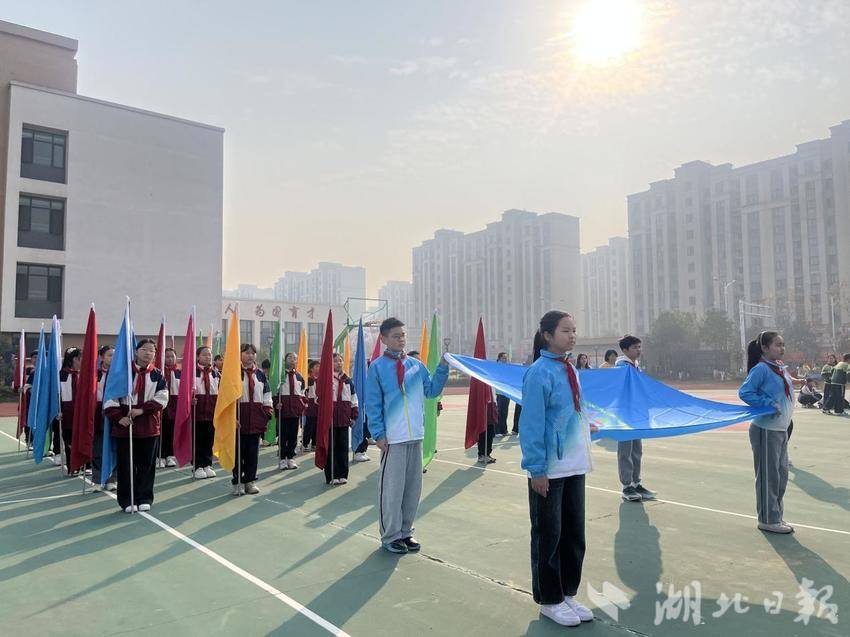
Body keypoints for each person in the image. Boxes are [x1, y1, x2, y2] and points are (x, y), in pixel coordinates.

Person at [520, 310, 595, 627]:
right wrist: (537, 468)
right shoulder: (539, 373)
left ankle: (567, 593)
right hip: (549, 468)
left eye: (575, 330)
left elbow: (574, 412)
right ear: (548, 335)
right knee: (548, 534)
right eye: (566, 330)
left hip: (575, 464)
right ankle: (549, 600)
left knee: (574, 534)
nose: (573, 336)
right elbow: (532, 424)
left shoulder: (570, 369)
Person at [366, 317, 449, 554]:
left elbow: (431, 391)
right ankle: (390, 536)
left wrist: (442, 367)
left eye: (403, 335)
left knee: (412, 489)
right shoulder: (377, 368)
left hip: (416, 436)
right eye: (395, 336)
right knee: (392, 490)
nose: (401, 339)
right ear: (383, 339)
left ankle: (405, 532)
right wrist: (378, 433)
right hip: (393, 438)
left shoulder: (416, 365)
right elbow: (372, 403)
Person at [739, 331, 802, 534]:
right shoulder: (761, 369)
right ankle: (767, 518)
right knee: (768, 477)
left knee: (781, 475)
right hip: (765, 430)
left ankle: (776, 515)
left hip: (781, 429)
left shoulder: (779, 367)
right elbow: (745, 392)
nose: (782, 348)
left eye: (783, 344)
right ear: (765, 348)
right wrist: (767, 403)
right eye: (777, 345)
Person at [104, 339, 168, 513]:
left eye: (152, 351)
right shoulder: (122, 373)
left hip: (148, 426)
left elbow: (162, 398)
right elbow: (110, 398)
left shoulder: (157, 375)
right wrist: (119, 417)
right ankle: (127, 499)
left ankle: (145, 497)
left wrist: (142, 410)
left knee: (147, 465)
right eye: (145, 350)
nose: (148, 353)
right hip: (126, 427)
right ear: (136, 351)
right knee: (126, 465)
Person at [615, 335, 655, 502]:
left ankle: (636, 482)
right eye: (635, 348)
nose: (638, 350)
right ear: (625, 350)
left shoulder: (635, 366)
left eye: (639, 347)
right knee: (625, 451)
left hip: (637, 415)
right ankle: (626, 486)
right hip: (625, 416)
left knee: (637, 449)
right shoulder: (621, 368)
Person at [233, 343, 272, 495]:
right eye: (246, 352)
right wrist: (232, 418)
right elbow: (227, 398)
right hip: (239, 420)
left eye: (252, 353)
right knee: (238, 452)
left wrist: (266, 415)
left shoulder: (261, 375)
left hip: (256, 419)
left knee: (252, 453)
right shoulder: (234, 373)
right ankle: (237, 482)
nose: (250, 356)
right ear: (240, 354)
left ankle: (250, 481)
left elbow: (267, 397)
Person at [325, 353, 359, 485]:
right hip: (331, 420)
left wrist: (353, 415)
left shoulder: (348, 381)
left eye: (340, 361)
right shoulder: (327, 380)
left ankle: (343, 474)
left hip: (344, 419)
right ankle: (332, 475)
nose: (338, 363)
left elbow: (353, 400)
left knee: (343, 448)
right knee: (331, 448)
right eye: (335, 361)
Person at [275, 352, 307, 470]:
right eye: (290, 358)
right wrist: (275, 404)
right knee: (283, 436)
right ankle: (282, 459)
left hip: (295, 412)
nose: (293, 360)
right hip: (283, 411)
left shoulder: (299, 377)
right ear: (285, 360)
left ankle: (291, 458)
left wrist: (302, 406)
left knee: (293, 436)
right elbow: (274, 392)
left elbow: (303, 394)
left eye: (295, 358)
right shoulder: (280, 376)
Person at [91, 345, 117, 491]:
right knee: (98, 448)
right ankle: (97, 479)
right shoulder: (94, 374)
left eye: (114, 355)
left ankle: (112, 478)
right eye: (109, 355)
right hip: (98, 413)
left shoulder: (121, 374)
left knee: (114, 447)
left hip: (115, 412)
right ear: (101, 357)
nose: (112, 358)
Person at [193, 346, 219, 479]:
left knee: (209, 440)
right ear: (198, 357)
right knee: (198, 440)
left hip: (211, 413)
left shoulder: (216, 373)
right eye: (204, 355)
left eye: (209, 354)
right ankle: (197, 466)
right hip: (196, 414)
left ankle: (207, 464)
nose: (207, 357)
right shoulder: (192, 373)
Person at [57, 347, 81, 472]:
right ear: (72, 360)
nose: (81, 361)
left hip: (81, 412)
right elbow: (57, 395)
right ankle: (72, 466)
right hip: (67, 413)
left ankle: (85, 464)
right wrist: (58, 410)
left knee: (83, 439)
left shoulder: (84, 374)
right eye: (79, 359)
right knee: (69, 440)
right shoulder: (61, 374)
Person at [159, 347, 180, 468]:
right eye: (167, 356)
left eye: (172, 356)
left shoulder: (179, 373)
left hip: (175, 405)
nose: (170, 359)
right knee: (161, 431)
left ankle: (170, 455)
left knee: (172, 431)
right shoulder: (159, 372)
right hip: (162, 405)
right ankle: (160, 456)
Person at [477, 386, 499, 464]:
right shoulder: (481, 378)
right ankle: (482, 454)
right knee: (483, 431)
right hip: (485, 404)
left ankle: (487, 454)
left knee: (490, 432)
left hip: (492, 403)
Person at [303, 360, 319, 451]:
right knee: (309, 425)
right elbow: (305, 392)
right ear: (311, 368)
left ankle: (314, 443)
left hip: (318, 406)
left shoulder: (320, 379)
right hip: (310, 405)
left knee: (316, 426)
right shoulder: (308, 379)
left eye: (319, 366)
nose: (318, 368)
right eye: (316, 366)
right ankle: (305, 443)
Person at [495, 352, 512, 436]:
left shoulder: (507, 367)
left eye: (506, 358)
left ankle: (504, 430)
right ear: (499, 358)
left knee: (505, 412)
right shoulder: (496, 366)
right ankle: (497, 431)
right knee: (498, 412)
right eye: (503, 358)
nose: (505, 360)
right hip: (499, 393)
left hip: (506, 393)